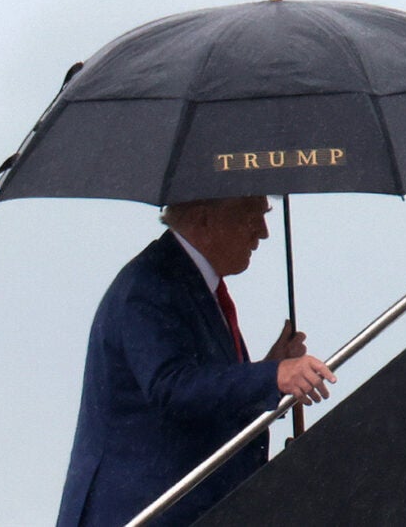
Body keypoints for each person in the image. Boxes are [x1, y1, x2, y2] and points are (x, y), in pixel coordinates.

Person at [56, 196, 336, 526]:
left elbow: (204, 399)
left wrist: (269, 369)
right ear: (204, 220)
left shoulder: (184, 281)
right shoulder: (148, 285)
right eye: (252, 217)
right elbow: (171, 387)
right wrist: (272, 376)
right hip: (142, 513)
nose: (263, 233)